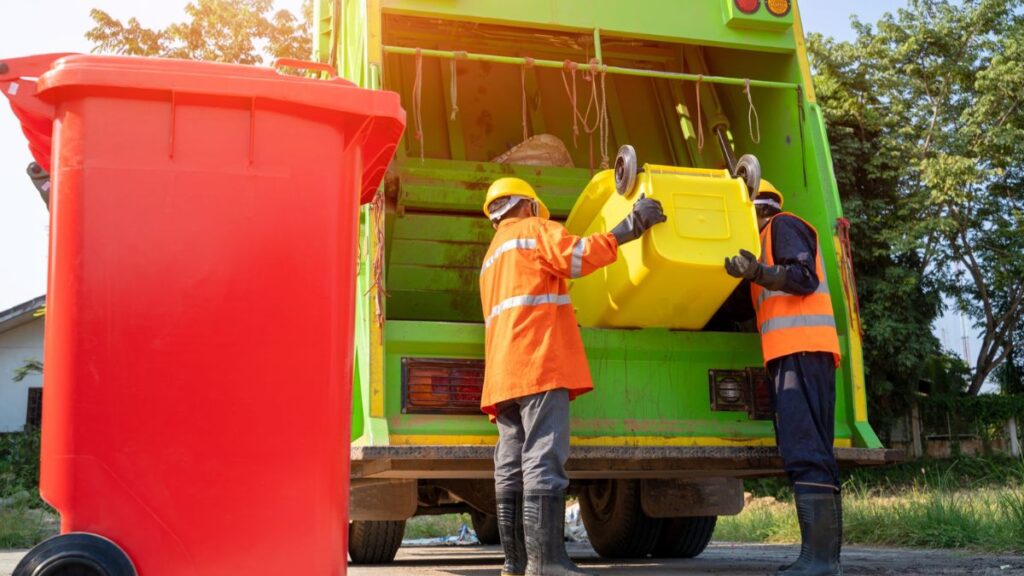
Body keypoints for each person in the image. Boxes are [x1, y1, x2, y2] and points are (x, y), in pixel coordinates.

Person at [479, 177, 665, 576]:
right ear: (528, 206)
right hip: (539, 361)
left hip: (503, 373)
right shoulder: (535, 230)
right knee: (543, 457)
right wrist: (630, 227)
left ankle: (515, 562)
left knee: (511, 462)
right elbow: (577, 257)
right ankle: (546, 562)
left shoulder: (492, 256)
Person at [724, 180, 843, 576]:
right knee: (806, 449)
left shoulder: (781, 226)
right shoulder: (763, 243)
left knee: (807, 449)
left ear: (757, 208)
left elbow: (803, 277)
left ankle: (821, 560)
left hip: (803, 352)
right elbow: (746, 304)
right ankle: (821, 559)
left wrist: (758, 270)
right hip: (795, 354)